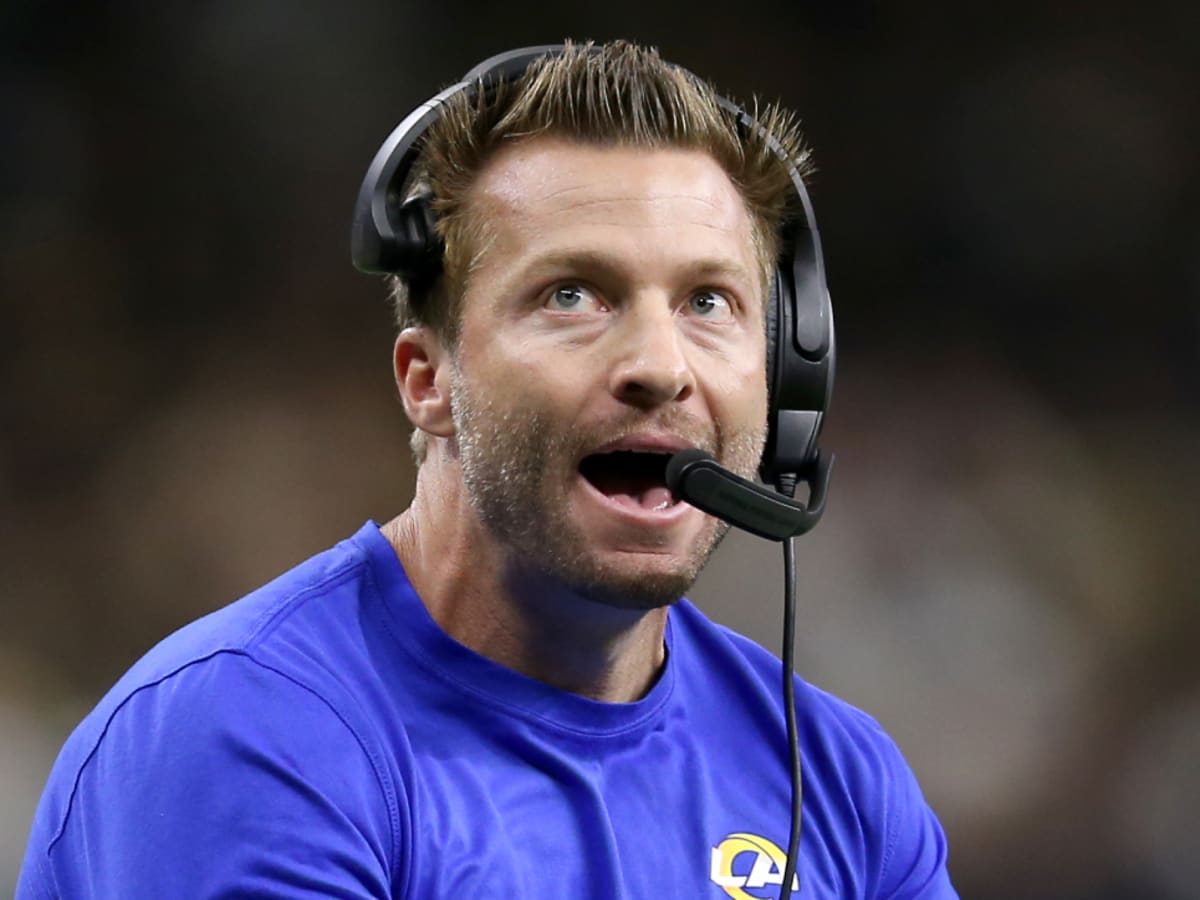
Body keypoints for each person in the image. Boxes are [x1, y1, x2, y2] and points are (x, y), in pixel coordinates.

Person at [18, 41, 956, 898]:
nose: (662, 366)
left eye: (708, 300)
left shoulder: (839, 781)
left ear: (788, 375)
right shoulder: (243, 740)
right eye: (574, 295)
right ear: (428, 381)